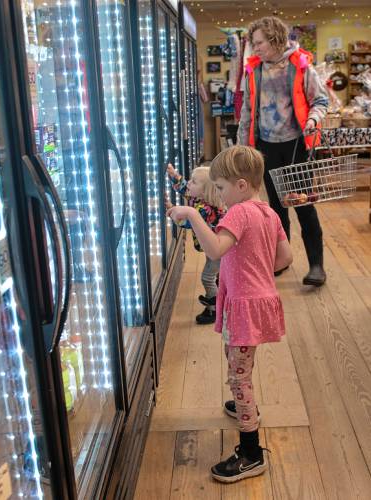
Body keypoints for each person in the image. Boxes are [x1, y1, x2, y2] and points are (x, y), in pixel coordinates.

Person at [167, 146, 293, 483]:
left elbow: (214, 250)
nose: (218, 194)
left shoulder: (238, 213)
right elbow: (284, 258)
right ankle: (242, 406)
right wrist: (254, 268)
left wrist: (192, 215)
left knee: (239, 377)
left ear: (240, 185)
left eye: (220, 187)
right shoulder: (268, 212)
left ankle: (251, 452)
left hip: (244, 307)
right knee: (241, 362)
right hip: (261, 301)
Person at [238, 16, 329, 286]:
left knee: (302, 205)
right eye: (253, 44)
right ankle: (282, 259)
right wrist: (243, 147)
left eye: (259, 43)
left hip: (296, 146)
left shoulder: (300, 66)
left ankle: (316, 266)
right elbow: (247, 111)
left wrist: (313, 119)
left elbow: (320, 100)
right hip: (265, 147)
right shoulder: (254, 70)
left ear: (275, 39)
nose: (255, 49)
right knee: (276, 209)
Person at [166, 163, 225, 324]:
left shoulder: (204, 209)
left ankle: (215, 309)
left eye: (193, 181)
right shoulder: (198, 198)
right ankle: (223, 294)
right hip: (214, 247)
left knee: (207, 277)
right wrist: (173, 174)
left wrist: (172, 210)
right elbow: (185, 188)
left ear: (205, 191)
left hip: (218, 249)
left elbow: (186, 222)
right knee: (218, 274)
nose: (189, 183)